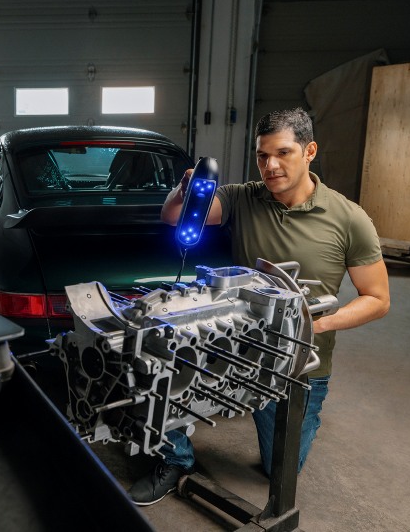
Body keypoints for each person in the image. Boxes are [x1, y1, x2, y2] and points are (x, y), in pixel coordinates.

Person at [128, 107, 391, 505]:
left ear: (309, 152)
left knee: (277, 468)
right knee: (158, 368)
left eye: (283, 153)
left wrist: (311, 325)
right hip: (233, 346)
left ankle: (302, 415)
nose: (270, 166)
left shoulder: (349, 218)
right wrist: (185, 189)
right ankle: (177, 459)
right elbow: (174, 216)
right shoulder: (242, 197)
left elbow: (378, 299)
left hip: (297, 362)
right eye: (262, 155)